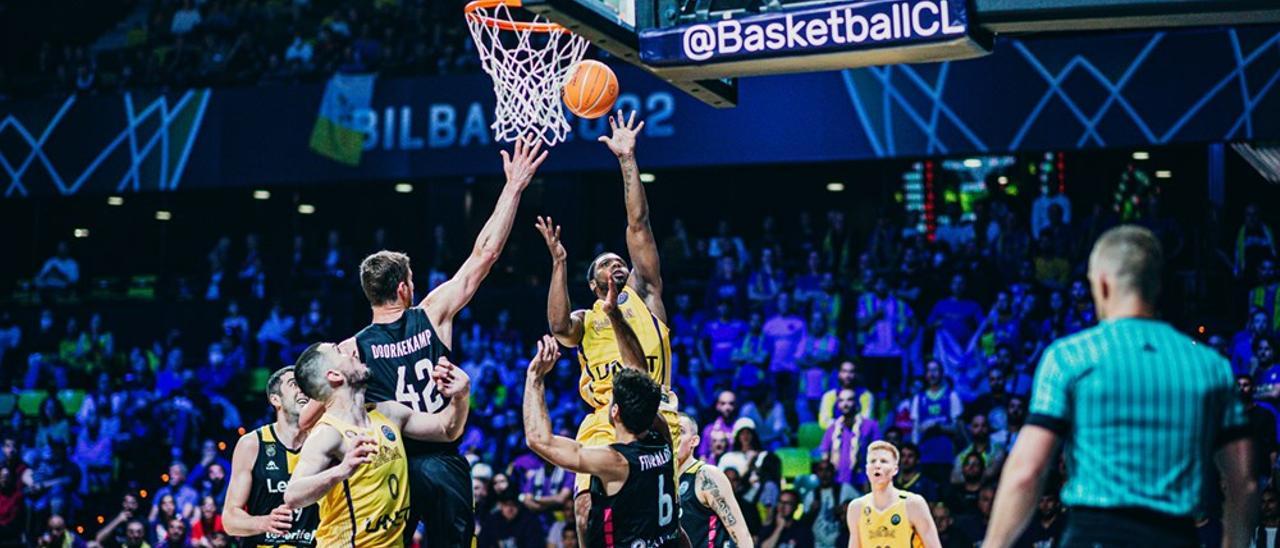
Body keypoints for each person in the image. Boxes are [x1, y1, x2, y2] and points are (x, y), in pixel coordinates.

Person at [295, 138, 545, 547]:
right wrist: (513, 187)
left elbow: (308, 415)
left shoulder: (350, 351)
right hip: (440, 455)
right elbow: (484, 255)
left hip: (389, 465)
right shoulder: (431, 314)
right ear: (405, 288)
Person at [983, 225, 1257, 548]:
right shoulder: (1210, 366)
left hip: (1093, 536)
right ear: (1157, 284)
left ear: (1101, 283)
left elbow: (1027, 472)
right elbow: (1243, 483)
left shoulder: (1070, 357)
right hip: (1176, 538)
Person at [538, 111, 682, 546]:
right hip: (604, 419)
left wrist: (627, 159)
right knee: (583, 511)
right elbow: (559, 325)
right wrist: (559, 264)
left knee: (663, 519)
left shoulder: (648, 297)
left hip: (656, 416)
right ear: (593, 282)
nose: (617, 263)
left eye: (621, 261)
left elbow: (638, 225)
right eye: (605, 264)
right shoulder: (587, 320)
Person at [285, 342, 471, 547]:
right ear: (334, 376)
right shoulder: (328, 433)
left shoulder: (388, 413)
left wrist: (460, 396)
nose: (353, 352)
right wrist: (341, 470)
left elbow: (447, 430)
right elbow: (293, 495)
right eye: (339, 351)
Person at [521, 336, 684, 547]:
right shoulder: (663, 440)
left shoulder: (616, 462)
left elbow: (538, 440)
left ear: (615, 411)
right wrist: (614, 313)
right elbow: (642, 383)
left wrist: (535, 377)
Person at [223, 366, 320, 546]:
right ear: (276, 399)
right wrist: (264, 522)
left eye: (305, 385)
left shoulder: (325, 439)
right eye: (294, 384)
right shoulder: (252, 444)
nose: (303, 390)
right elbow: (229, 519)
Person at [675, 413, 755, 547]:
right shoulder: (661, 480)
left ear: (694, 441)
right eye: (670, 431)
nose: (674, 437)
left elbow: (741, 535)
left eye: (680, 431)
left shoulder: (706, 475)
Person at [846, 441, 943, 548]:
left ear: (895, 469)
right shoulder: (856, 508)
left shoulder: (913, 504)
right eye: (872, 461)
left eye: (883, 461)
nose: (877, 465)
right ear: (867, 470)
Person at [478, 487, 547, 547]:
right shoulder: (492, 521)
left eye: (513, 505)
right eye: (506, 505)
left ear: (519, 505)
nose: (509, 509)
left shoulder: (530, 521)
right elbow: (482, 543)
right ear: (501, 505)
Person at [818, 361, 873, 429]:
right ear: (839, 374)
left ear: (856, 374)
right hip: (835, 435)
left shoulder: (866, 395)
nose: (847, 375)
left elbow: (866, 420)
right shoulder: (829, 396)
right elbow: (824, 422)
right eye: (844, 371)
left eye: (851, 372)